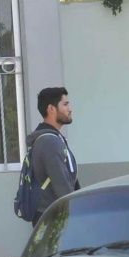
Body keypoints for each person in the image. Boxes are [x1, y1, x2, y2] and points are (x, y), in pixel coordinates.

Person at [26, 87, 79, 225]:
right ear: (51, 109)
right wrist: (78, 214)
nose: (70, 109)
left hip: (53, 215)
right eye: (65, 104)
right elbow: (62, 186)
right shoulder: (49, 141)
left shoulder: (53, 138)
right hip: (53, 218)